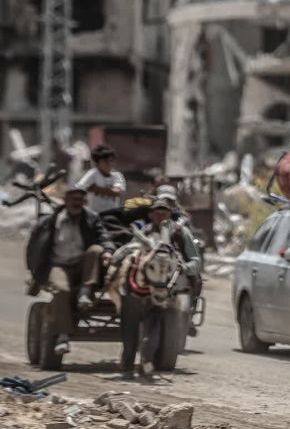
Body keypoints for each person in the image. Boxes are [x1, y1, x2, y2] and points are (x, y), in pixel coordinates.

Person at [25, 185, 115, 356]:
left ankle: (85, 291)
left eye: (80, 200)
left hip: (82, 267)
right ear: (65, 201)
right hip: (58, 265)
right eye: (73, 199)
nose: (77, 203)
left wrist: (109, 252)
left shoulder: (91, 218)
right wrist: (34, 271)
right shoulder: (48, 222)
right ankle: (63, 336)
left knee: (96, 250)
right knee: (61, 291)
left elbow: (104, 237)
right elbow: (32, 248)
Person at [119, 196, 201, 378]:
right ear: (150, 214)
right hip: (140, 287)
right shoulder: (143, 233)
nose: (160, 216)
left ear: (170, 214)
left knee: (165, 318)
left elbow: (196, 262)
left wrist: (182, 268)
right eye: (157, 212)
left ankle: (150, 358)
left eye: (164, 212)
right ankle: (127, 364)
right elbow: (130, 252)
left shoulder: (181, 234)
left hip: (171, 288)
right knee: (130, 326)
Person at [76, 144, 126, 214]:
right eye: (105, 161)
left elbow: (117, 192)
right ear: (97, 163)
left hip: (113, 213)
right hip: (94, 214)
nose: (109, 164)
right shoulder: (92, 174)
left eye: (111, 160)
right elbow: (79, 189)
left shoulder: (117, 175)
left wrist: (96, 189)